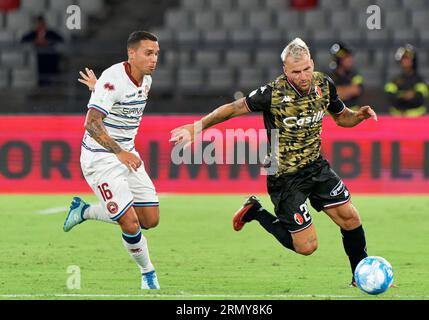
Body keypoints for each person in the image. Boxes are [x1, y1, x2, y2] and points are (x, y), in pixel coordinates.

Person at [170, 38, 378, 286]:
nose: (303, 76)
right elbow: (233, 108)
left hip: (316, 165)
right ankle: (256, 212)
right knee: (307, 246)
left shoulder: (324, 84)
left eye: (306, 69)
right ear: (285, 70)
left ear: (312, 63)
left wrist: (359, 117)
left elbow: (342, 118)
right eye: (295, 72)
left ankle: (360, 276)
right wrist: (197, 127)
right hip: (284, 176)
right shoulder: (272, 93)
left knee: (350, 217)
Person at [62, 31, 161, 290]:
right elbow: (91, 124)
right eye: (148, 53)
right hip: (101, 158)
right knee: (129, 222)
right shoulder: (112, 80)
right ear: (131, 54)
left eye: (156, 54)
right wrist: (120, 153)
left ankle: (83, 211)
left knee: (150, 219)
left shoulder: (146, 80)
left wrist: (97, 91)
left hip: (127, 154)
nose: (154, 59)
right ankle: (147, 274)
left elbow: (115, 99)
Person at [384, 44, 429, 117]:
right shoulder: (394, 80)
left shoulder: (419, 79)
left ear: (413, 60)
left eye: (407, 58)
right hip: (397, 119)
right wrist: (405, 95)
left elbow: (420, 99)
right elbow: (391, 97)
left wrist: (403, 95)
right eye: (403, 59)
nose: (405, 61)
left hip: (416, 119)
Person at [21, 15, 64, 86]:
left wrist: (48, 42)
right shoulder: (33, 34)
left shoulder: (50, 33)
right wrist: (35, 41)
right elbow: (23, 39)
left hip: (51, 58)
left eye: (41, 23)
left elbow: (60, 39)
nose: (40, 25)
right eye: (38, 23)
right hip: (40, 58)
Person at [329, 42, 364, 110]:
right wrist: (348, 90)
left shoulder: (355, 74)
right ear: (338, 60)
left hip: (352, 115)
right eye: (347, 57)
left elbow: (357, 90)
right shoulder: (328, 75)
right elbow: (328, 95)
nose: (350, 60)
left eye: (350, 57)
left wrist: (339, 91)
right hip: (332, 116)